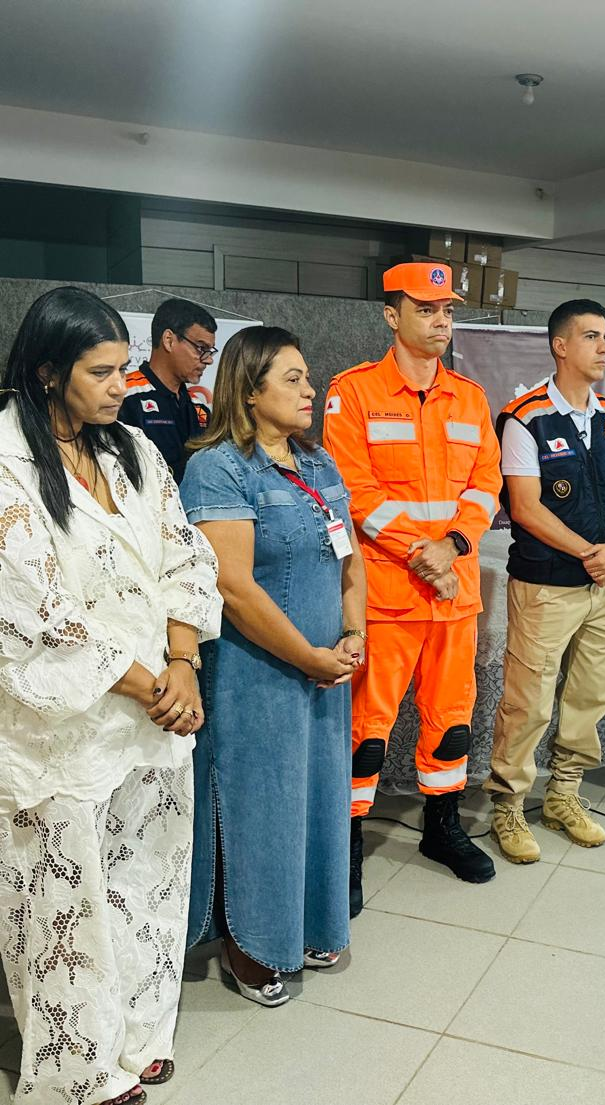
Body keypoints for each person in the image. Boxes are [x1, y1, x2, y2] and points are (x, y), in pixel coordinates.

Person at [0, 286, 221, 1105]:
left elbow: (186, 556)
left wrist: (183, 661)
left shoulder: (131, 448)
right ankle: (80, 1072)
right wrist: (150, 681)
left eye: (124, 367)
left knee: (147, 882)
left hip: (153, 711)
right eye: (101, 372)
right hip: (64, 727)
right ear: (47, 371)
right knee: (67, 900)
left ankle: (139, 1036)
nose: (121, 385)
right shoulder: (6, 461)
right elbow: (36, 612)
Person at [180, 326, 367, 1007]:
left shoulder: (318, 463)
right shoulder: (218, 468)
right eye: (293, 379)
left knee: (317, 798)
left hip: (325, 671)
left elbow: (351, 558)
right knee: (261, 805)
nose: (310, 389)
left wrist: (353, 633)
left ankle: (309, 924)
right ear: (250, 390)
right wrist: (309, 654)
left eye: (307, 377)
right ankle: (253, 944)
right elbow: (233, 587)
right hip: (255, 674)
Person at [324, 262, 502, 903]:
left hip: (453, 594)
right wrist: (421, 553)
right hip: (386, 595)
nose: (440, 321)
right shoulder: (353, 392)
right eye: (425, 309)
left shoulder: (471, 397)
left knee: (452, 721)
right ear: (391, 315)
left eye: (447, 310)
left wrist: (450, 548)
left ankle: (442, 828)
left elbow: (486, 484)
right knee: (365, 730)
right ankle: (344, 846)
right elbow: (353, 489)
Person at [483, 299, 605, 862]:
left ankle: (564, 794)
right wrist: (591, 553)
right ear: (560, 346)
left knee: (591, 695)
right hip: (547, 584)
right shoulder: (525, 417)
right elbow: (524, 507)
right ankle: (508, 805)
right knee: (528, 702)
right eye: (592, 336)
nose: (604, 347)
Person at [119, 298, 217, 482]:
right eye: (201, 348)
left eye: (210, 351)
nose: (208, 360)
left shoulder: (200, 409)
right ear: (169, 340)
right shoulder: (122, 397)